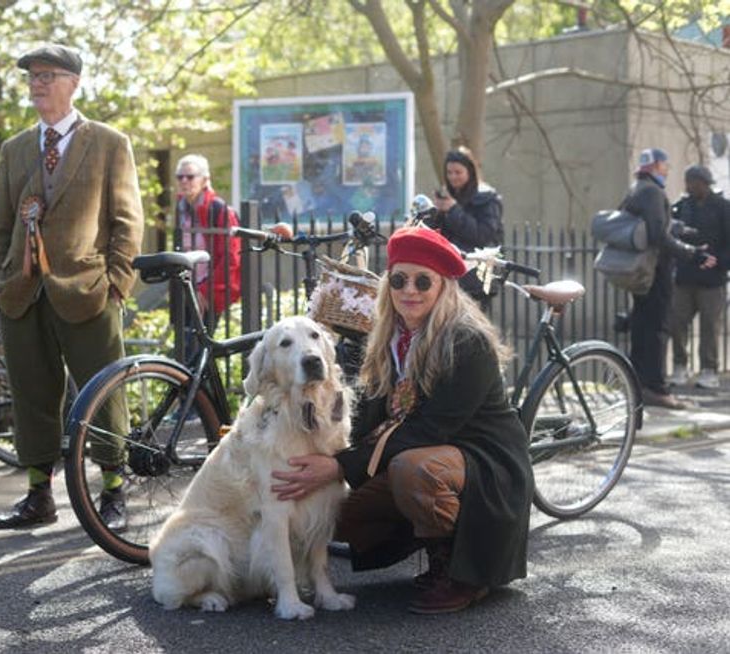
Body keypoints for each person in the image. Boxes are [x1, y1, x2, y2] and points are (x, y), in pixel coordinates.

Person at [271, 227, 533, 614]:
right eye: (399, 279)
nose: (409, 289)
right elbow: (369, 417)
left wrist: (338, 466)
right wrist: (325, 456)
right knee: (332, 508)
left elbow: (430, 429)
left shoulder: (465, 340)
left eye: (422, 280)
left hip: (485, 465)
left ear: (443, 287)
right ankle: (431, 545)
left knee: (412, 469)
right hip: (423, 454)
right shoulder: (390, 338)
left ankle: (464, 572)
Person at [0, 44, 144, 530]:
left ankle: (113, 489)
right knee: (31, 395)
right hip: (23, 293)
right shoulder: (14, 149)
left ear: (74, 82)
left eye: (47, 75)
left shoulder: (109, 142)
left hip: (88, 291)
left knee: (104, 393)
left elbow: (127, 220)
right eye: (32, 76)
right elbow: (0, 223)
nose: (37, 84)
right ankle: (39, 495)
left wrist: (117, 282)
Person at [622, 149, 716, 409]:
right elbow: (657, 236)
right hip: (655, 272)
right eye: (664, 165)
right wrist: (693, 253)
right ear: (656, 166)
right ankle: (656, 389)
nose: (667, 169)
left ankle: (638, 385)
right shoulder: (653, 191)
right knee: (657, 330)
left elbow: (651, 226)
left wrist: (679, 229)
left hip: (641, 272)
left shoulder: (636, 188)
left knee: (642, 327)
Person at [668, 165, 730, 389]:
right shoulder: (682, 207)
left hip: (712, 280)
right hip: (685, 276)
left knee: (709, 326)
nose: (689, 186)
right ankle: (680, 366)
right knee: (677, 322)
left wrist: (719, 262)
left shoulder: (723, 208)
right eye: (687, 182)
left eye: (693, 182)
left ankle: (708, 369)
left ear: (704, 183)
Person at [174, 153, 241, 340]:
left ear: (205, 180)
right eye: (180, 177)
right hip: (186, 286)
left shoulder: (218, 209)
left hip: (208, 290)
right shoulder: (181, 208)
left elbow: (230, 256)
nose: (184, 181)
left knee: (196, 348)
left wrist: (207, 292)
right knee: (186, 348)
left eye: (190, 176)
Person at [428, 146, 504, 308]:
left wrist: (454, 210)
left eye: (458, 172)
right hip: (449, 275)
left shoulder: (486, 199)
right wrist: (437, 212)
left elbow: (483, 235)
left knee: (471, 328)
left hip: (476, 276)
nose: (453, 177)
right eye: (449, 173)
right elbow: (437, 235)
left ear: (469, 171)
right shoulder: (449, 196)